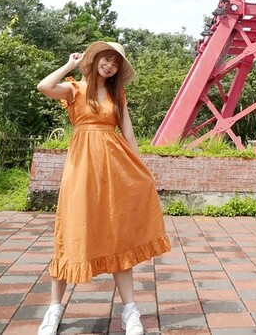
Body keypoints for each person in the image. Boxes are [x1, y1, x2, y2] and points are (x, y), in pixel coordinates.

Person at [36, 41, 171, 335]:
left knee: (116, 234)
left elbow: (128, 131)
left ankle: (130, 312)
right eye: (106, 60)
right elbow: (44, 86)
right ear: (95, 59)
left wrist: (141, 168)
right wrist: (71, 64)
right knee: (71, 232)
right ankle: (54, 310)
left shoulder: (116, 94)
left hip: (114, 167)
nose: (110, 66)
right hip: (81, 168)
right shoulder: (74, 89)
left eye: (115, 64)